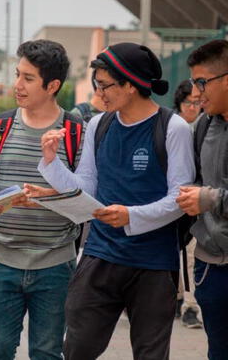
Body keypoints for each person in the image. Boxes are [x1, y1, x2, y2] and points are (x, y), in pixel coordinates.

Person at [38, 43, 194, 359]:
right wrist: (51, 163)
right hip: (100, 254)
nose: (100, 93)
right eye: (97, 85)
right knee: (77, 349)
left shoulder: (172, 128)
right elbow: (86, 186)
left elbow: (181, 198)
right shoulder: (99, 125)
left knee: (150, 354)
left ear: (132, 85)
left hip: (154, 264)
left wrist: (131, 216)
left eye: (105, 85)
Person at [0, 40, 83, 360]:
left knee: (47, 352)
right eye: (18, 74)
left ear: (52, 85)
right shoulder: (0, 127)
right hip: (1, 263)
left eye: (28, 78)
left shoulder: (75, 132)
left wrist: (48, 200)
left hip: (56, 265)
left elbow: (86, 196)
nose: (18, 84)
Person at [176, 39, 228, 359]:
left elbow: (206, 194)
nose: (196, 93)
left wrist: (209, 199)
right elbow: (195, 180)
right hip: (212, 267)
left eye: (201, 82)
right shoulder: (204, 125)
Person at [171, 79, 204, 329]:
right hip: (173, 201)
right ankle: (179, 298)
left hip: (198, 201)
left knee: (191, 253)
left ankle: (190, 307)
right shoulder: (172, 127)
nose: (193, 107)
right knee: (177, 252)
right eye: (188, 102)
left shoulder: (207, 127)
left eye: (196, 102)